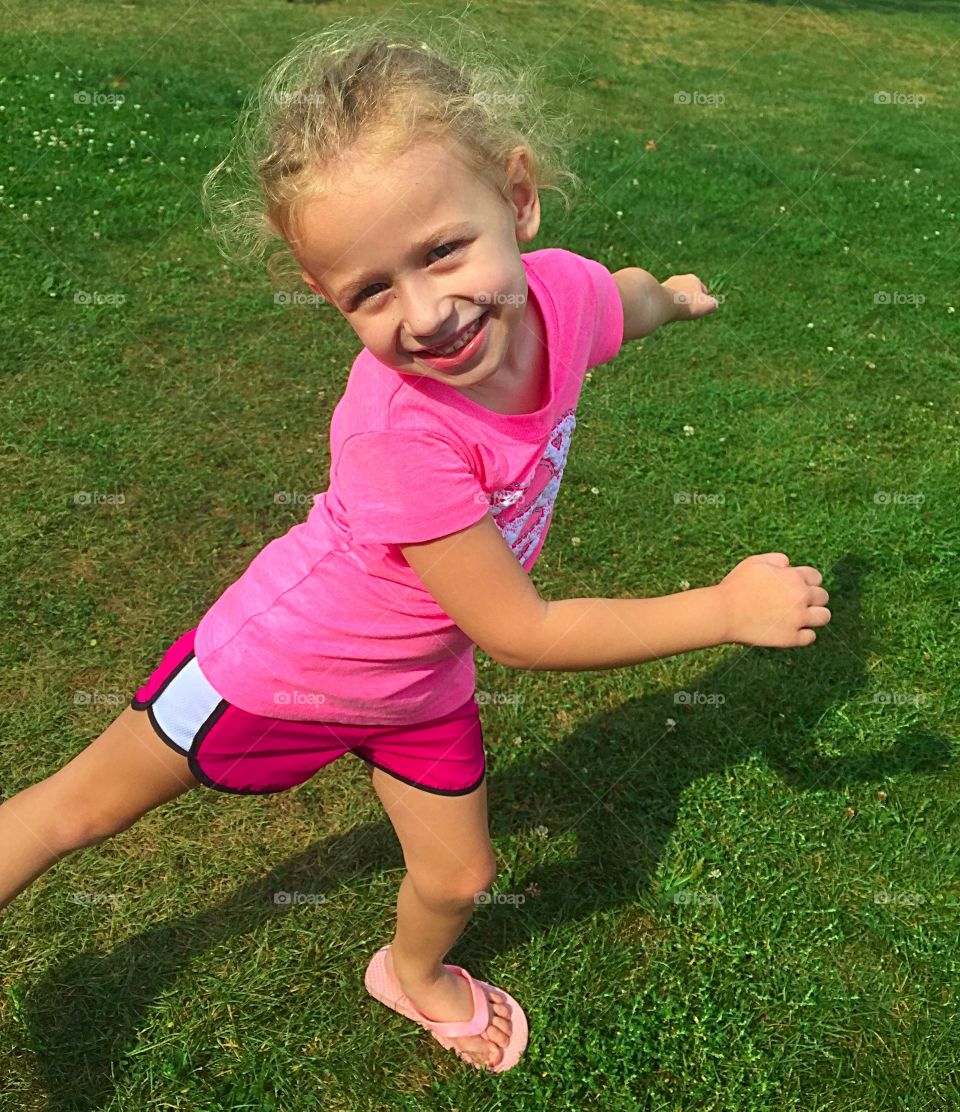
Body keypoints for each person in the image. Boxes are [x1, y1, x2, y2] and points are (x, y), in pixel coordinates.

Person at [0, 19, 831, 1074]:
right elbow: (519, 631)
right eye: (371, 290)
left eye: (443, 248)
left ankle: (414, 972)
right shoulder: (398, 428)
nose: (428, 312)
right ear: (327, 295)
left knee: (458, 874)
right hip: (279, 667)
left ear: (518, 198)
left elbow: (616, 304)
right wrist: (720, 609)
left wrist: (672, 297)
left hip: (417, 685)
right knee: (70, 812)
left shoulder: (561, 293)